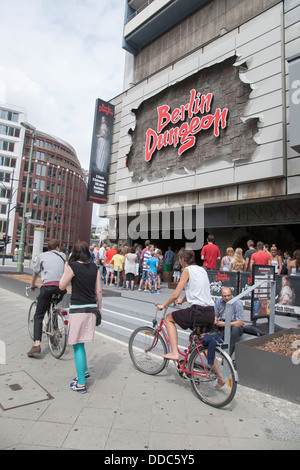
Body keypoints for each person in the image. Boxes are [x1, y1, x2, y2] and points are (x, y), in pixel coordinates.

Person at [156, 248, 226, 388]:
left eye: (180, 260)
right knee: (203, 344)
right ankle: (221, 377)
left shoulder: (186, 271)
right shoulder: (202, 270)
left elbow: (175, 294)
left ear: (182, 259)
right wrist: (183, 299)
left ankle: (175, 352)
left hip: (198, 312)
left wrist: (164, 305)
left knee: (169, 318)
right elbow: (197, 289)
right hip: (209, 311)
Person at [59, 241, 102, 393]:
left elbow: (61, 286)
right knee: (81, 342)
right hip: (91, 308)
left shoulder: (73, 267)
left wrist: (66, 269)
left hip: (78, 309)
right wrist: (100, 308)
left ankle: (81, 384)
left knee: (77, 344)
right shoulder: (94, 267)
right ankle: (84, 372)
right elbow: (99, 291)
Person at [27, 239, 67, 357]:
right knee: (53, 307)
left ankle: (36, 345)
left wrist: (33, 284)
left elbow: (35, 272)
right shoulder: (63, 255)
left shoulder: (42, 256)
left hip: (47, 288)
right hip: (61, 289)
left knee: (38, 315)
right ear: (57, 247)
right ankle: (54, 335)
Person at [214, 287, 244, 357]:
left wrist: (225, 324)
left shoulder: (237, 303)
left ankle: (227, 355)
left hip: (234, 324)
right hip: (223, 322)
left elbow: (240, 322)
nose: (227, 298)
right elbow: (215, 315)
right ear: (222, 296)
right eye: (225, 296)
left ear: (231, 294)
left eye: (229, 295)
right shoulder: (219, 301)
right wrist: (215, 320)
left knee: (236, 329)